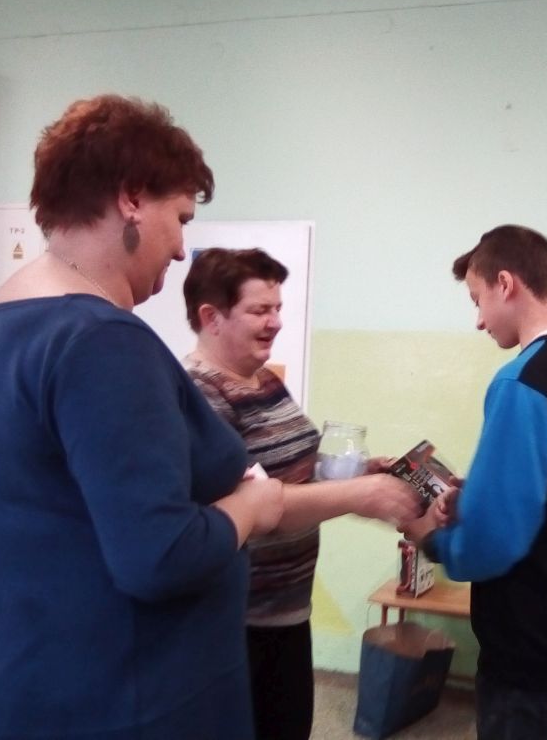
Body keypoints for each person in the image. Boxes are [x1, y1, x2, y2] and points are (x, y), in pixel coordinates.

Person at [0, 96, 285, 739]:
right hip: (128, 704)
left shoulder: (4, 324)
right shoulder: (101, 340)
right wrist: (252, 507)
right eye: (179, 219)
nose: (181, 250)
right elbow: (160, 556)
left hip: (32, 689)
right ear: (131, 197)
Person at [181, 248, 423, 740]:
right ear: (211, 317)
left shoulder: (264, 379)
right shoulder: (200, 394)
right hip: (237, 621)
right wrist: (357, 495)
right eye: (259, 310)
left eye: (278, 308)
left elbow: (291, 472)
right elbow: (253, 509)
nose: (275, 322)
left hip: (287, 611)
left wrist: (359, 473)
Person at [400, 224, 547, 740]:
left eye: (477, 300)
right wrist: (480, 494)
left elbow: (496, 541)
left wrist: (431, 539)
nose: (478, 320)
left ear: (506, 284)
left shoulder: (522, 380)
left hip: (532, 633)